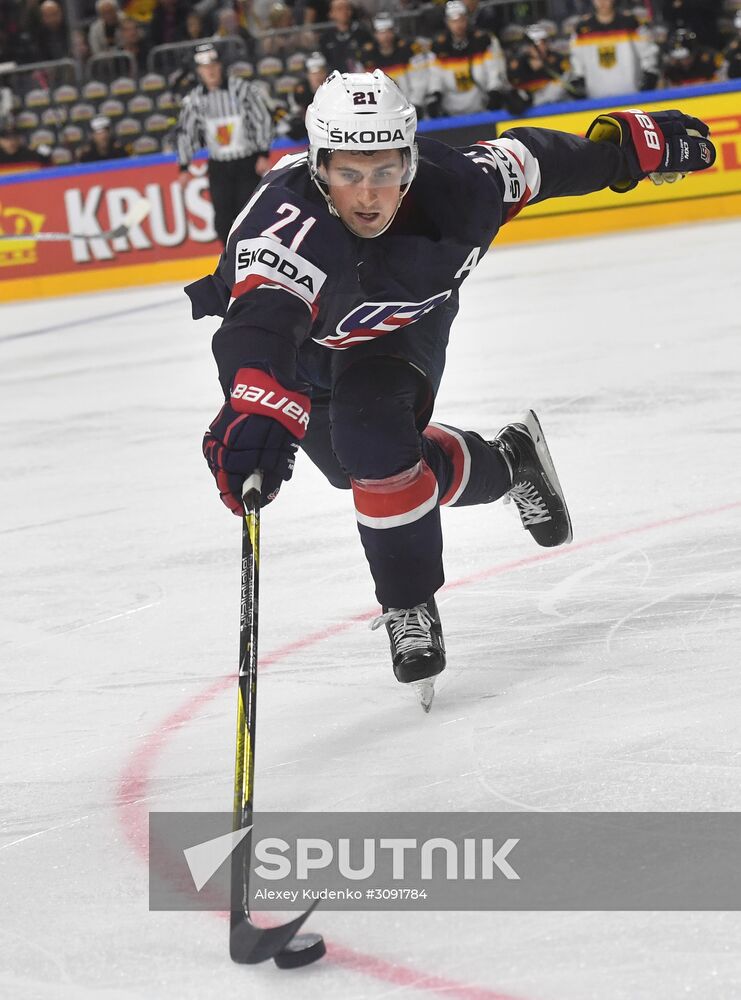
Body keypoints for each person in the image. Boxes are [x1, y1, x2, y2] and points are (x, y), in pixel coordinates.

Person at [186, 69, 715, 709]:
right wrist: (256, 407)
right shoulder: (286, 228)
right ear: (318, 163)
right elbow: (262, 328)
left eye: (386, 169)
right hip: (307, 348)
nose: (369, 194)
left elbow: (542, 162)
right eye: (349, 172)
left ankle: (408, 601)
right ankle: (511, 462)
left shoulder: (464, 188)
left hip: (397, 332)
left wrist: (629, 147)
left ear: (411, 158)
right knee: (360, 472)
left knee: (373, 442)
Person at [176, 42, 273, 246]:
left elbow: (262, 118)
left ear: (221, 66)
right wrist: (184, 166)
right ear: (199, 71)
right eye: (205, 67)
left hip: (247, 161)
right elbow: (187, 131)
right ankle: (230, 259)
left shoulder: (241, 89)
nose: (210, 71)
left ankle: (255, 253)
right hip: (219, 165)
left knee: (249, 212)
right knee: (222, 217)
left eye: (213, 65)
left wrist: (263, 152)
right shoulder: (194, 100)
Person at [427, 0, 508, 117]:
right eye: (454, 21)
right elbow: (435, 75)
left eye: (461, 20)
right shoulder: (438, 46)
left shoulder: (484, 40)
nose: (458, 25)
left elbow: (494, 69)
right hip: (450, 109)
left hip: (482, 105)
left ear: (467, 19)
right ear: (447, 22)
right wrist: (435, 95)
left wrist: (494, 90)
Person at [569, 0, 658, 99]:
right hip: (595, 97)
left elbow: (647, 51)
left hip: (631, 93)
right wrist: (579, 77)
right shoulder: (581, 28)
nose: (602, 2)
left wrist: (650, 72)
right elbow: (577, 58)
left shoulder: (630, 22)